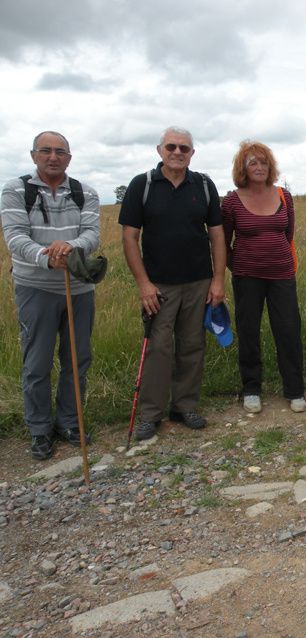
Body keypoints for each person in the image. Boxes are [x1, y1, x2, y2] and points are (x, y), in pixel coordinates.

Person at [119, 126, 225, 440]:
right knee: (159, 348)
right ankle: (151, 414)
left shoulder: (204, 185)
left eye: (184, 148)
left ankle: (184, 406)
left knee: (193, 345)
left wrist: (218, 280)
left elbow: (217, 235)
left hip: (198, 281)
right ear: (159, 150)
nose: (177, 152)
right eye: (172, 147)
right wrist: (143, 285)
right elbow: (129, 236)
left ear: (192, 153)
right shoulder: (143, 185)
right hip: (159, 286)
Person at [1, 131, 100, 460]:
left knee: (77, 358)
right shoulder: (16, 190)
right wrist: (47, 256)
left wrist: (70, 249)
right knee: (37, 362)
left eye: (60, 152)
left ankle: (70, 422)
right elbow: (15, 236)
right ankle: (40, 429)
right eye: (46, 151)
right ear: (34, 156)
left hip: (79, 288)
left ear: (69, 159)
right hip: (36, 287)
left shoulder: (84, 192)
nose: (53, 157)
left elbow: (92, 234)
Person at [221, 141, 306, 415]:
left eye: (263, 162)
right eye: (252, 163)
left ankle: (294, 390)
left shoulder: (284, 196)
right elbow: (223, 242)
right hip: (247, 276)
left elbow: (288, 234)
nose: (259, 167)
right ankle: (251, 389)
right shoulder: (232, 200)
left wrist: (276, 258)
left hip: (282, 273)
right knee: (248, 332)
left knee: (289, 330)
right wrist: (239, 266)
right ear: (242, 168)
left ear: (270, 167)